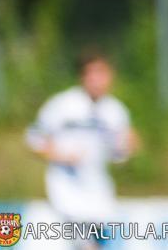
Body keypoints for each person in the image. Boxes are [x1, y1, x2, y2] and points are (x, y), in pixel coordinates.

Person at [26, 51, 138, 247]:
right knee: (86, 246)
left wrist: (127, 148)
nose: (96, 80)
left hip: (100, 194)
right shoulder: (63, 105)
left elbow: (120, 153)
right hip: (67, 193)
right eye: (91, 74)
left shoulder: (116, 111)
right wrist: (60, 156)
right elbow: (34, 139)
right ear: (82, 77)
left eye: (101, 73)